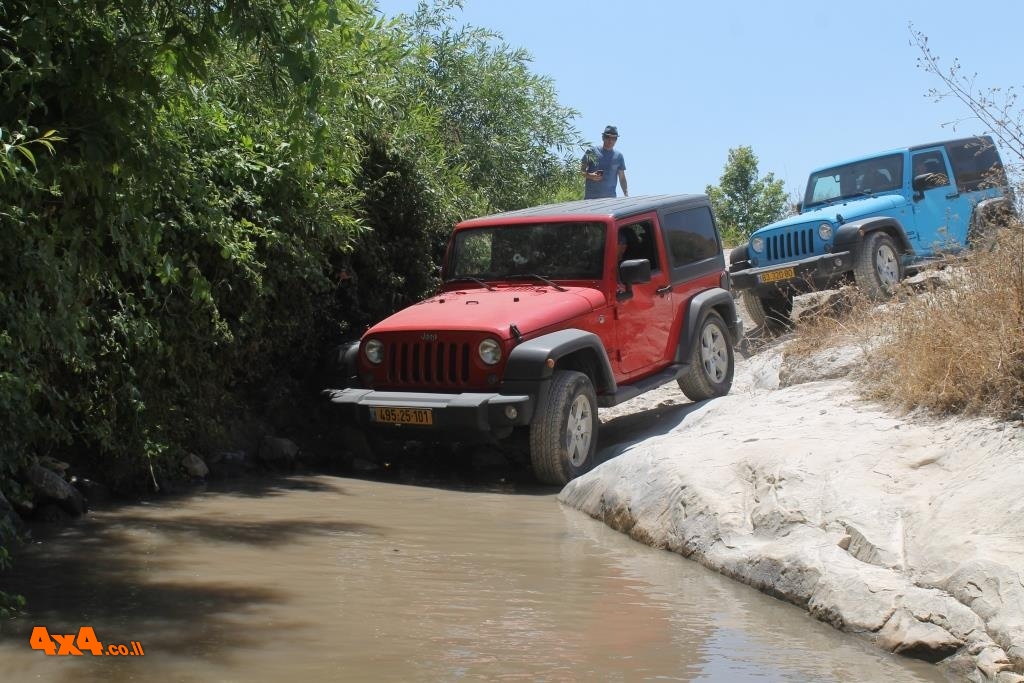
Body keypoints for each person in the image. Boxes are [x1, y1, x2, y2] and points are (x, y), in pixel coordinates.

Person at [582, 125, 628, 199]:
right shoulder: (592, 151)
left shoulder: (619, 156)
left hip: (610, 201)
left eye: (614, 138)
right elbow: (580, 171)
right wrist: (591, 176)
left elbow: (622, 178)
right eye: (608, 137)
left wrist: (626, 194)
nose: (610, 140)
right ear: (603, 137)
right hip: (591, 200)